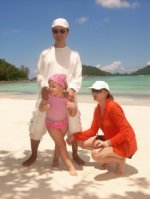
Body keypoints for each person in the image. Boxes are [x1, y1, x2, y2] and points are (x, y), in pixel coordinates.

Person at [23, 18, 85, 166]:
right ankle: (33, 155)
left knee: (74, 124)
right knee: (37, 124)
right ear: (52, 32)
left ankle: (75, 154)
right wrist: (44, 86)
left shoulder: (74, 55)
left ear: (67, 32)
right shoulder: (45, 53)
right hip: (47, 95)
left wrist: (72, 89)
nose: (59, 33)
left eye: (62, 30)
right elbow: (40, 74)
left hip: (67, 96)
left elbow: (78, 76)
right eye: (55, 31)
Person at [67, 81, 137, 174]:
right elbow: (92, 130)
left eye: (98, 91)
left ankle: (120, 161)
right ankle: (107, 157)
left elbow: (125, 132)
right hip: (111, 140)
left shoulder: (113, 107)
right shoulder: (97, 109)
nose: (94, 93)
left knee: (95, 155)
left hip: (126, 144)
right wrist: (75, 136)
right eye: (93, 91)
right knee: (81, 142)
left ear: (106, 93)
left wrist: (107, 143)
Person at [39, 74, 77, 175]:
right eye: (49, 85)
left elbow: (72, 114)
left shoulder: (67, 98)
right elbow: (40, 107)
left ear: (62, 87)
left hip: (64, 123)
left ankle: (55, 159)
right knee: (61, 143)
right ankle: (70, 166)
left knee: (58, 143)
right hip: (51, 124)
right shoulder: (48, 96)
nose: (50, 88)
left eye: (53, 86)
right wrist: (44, 107)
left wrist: (73, 107)